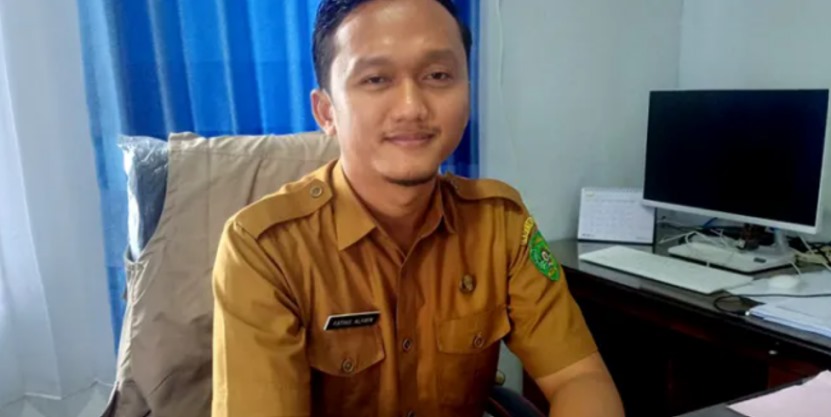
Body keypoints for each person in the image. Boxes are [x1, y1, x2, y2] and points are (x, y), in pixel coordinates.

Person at [211, 0, 625, 416]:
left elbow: (579, 378)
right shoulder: (265, 249)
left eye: (438, 75)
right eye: (376, 79)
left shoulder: (499, 223)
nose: (411, 107)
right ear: (326, 112)